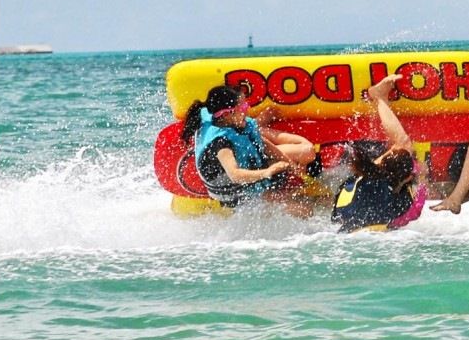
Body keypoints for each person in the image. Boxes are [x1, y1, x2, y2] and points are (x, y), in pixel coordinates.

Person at [181, 85, 316, 212]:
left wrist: (292, 167)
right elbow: (235, 175)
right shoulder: (221, 144)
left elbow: (262, 143)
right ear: (228, 114)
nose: (247, 109)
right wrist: (267, 172)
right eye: (243, 107)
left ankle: (261, 124)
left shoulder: (230, 122)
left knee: (306, 153)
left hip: (251, 165)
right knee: (304, 210)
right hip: (239, 193)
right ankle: (261, 124)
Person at [331, 74, 428, 232]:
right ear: (408, 177)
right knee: (403, 144)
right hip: (376, 238)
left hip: (345, 234)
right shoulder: (400, 209)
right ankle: (379, 97)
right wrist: (423, 177)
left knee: (403, 144)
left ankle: (380, 98)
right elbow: (416, 208)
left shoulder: (355, 183)